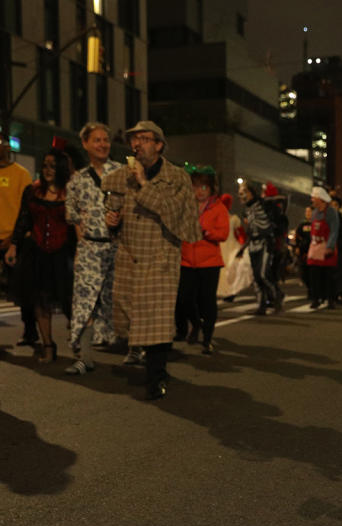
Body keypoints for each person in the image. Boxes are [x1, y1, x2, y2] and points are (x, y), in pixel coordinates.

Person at [102, 120, 201, 400]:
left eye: (145, 139)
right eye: (135, 139)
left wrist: (144, 184)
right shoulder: (123, 176)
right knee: (131, 317)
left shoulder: (177, 177)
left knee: (156, 319)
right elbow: (113, 208)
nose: (138, 144)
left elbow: (174, 214)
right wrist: (112, 221)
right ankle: (149, 364)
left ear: (158, 145)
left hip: (160, 257)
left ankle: (156, 376)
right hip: (131, 255)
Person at [4, 145, 75, 364]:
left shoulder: (70, 192)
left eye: (53, 166)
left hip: (62, 253)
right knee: (40, 300)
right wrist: (14, 245)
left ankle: (82, 347)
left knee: (69, 301)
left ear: (61, 168)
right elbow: (23, 219)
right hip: (37, 253)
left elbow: (76, 225)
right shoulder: (33, 190)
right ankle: (48, 345)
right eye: (45, 166)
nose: (47, 170)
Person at [63, 122, 121, 374]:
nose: (102, 144)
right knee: (84, 301)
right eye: (96, 140)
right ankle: (85, 356)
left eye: (105, 139)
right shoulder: (77, 179)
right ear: (85, 144)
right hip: (89, 248)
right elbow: (72, 215)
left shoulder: (121, 173)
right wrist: (80, 246)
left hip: (118, 247)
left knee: (121, 301)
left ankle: (137, 350)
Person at [175, 165, 229, 354]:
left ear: (211, 189)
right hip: (186, 260)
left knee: (207, 301)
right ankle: (196, 324)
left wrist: (207, 232)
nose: (199, 191)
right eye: (195, 187)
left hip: (209, 262)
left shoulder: (218, 207)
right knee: (184, 299)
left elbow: (223, 233)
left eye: (203, 187)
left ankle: (207, 338)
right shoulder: (185, 206)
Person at [0, 133, 37, 347]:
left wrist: (12, 239)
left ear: (7, 147)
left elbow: (26, 211)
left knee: (23, 288)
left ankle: (30, 330)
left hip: (14, 240)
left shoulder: (21, 175)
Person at [239, 179, 283, 314]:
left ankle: (277, 295)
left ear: (252, 191)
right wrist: (243, 247)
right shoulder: (247, 210)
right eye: (240, 192)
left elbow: (282, 202)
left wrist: (273, 229)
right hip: (253, 244)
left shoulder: (264, 204)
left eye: (245, 191)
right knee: (256, 277)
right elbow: (251, 231)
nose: (241, 195)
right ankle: (261, 304)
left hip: (265, 242)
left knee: (263, 273)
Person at [306, 186, 339, 309]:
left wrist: (330, 246)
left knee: (328, 275)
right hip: (315, 246)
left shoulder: (331, 212)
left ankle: (330, 299)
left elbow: (334, 230)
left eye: (314, 198)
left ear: (320, 199)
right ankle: (316, 298)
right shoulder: (314, 213)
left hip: (326, 246)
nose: (312, 200)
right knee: (314, 274)